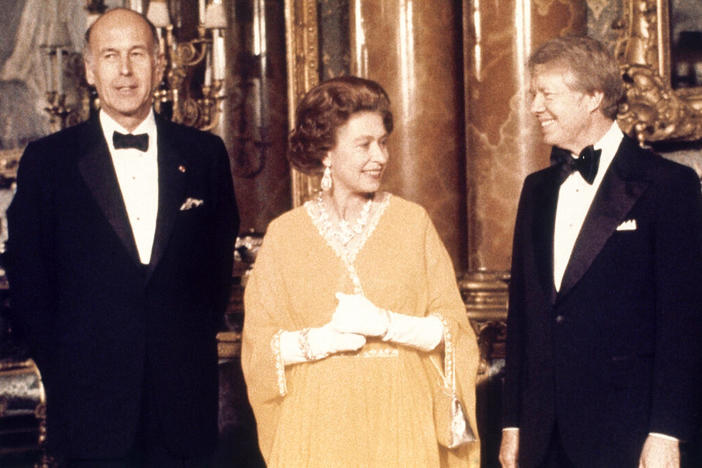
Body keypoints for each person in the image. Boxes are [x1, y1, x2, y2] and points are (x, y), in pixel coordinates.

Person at [5, 8, 238, 467]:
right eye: (110, 56)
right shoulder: (48, 162)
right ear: (90, 70)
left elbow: (214, 278)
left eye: (137, 54)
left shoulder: (206, 155)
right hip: (88, 413)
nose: (125, 71)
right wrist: (67, 374)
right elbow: (30, 284)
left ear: (160, 62)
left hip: (184, 410)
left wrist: (182, 350)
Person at [241, 76, 481, 467]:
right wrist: (321, 340)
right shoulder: (284, 235)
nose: (380, 156)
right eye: (364, 145)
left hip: (401, 417)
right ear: (326, 153)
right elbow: (259, 349)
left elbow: (453, 331)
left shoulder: (412, 223)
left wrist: (387, 324)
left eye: (383, 142)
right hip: (319, 423)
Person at [499, 35, 702, 468]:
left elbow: (683, 321)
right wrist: (512, 424)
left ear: (593, 97)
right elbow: (523, 315)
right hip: (542, 434)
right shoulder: (536, 190)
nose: (534, 106)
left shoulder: (669, 186)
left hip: (627, 435)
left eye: (546, 93)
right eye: (534, 93)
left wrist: (667, 432)